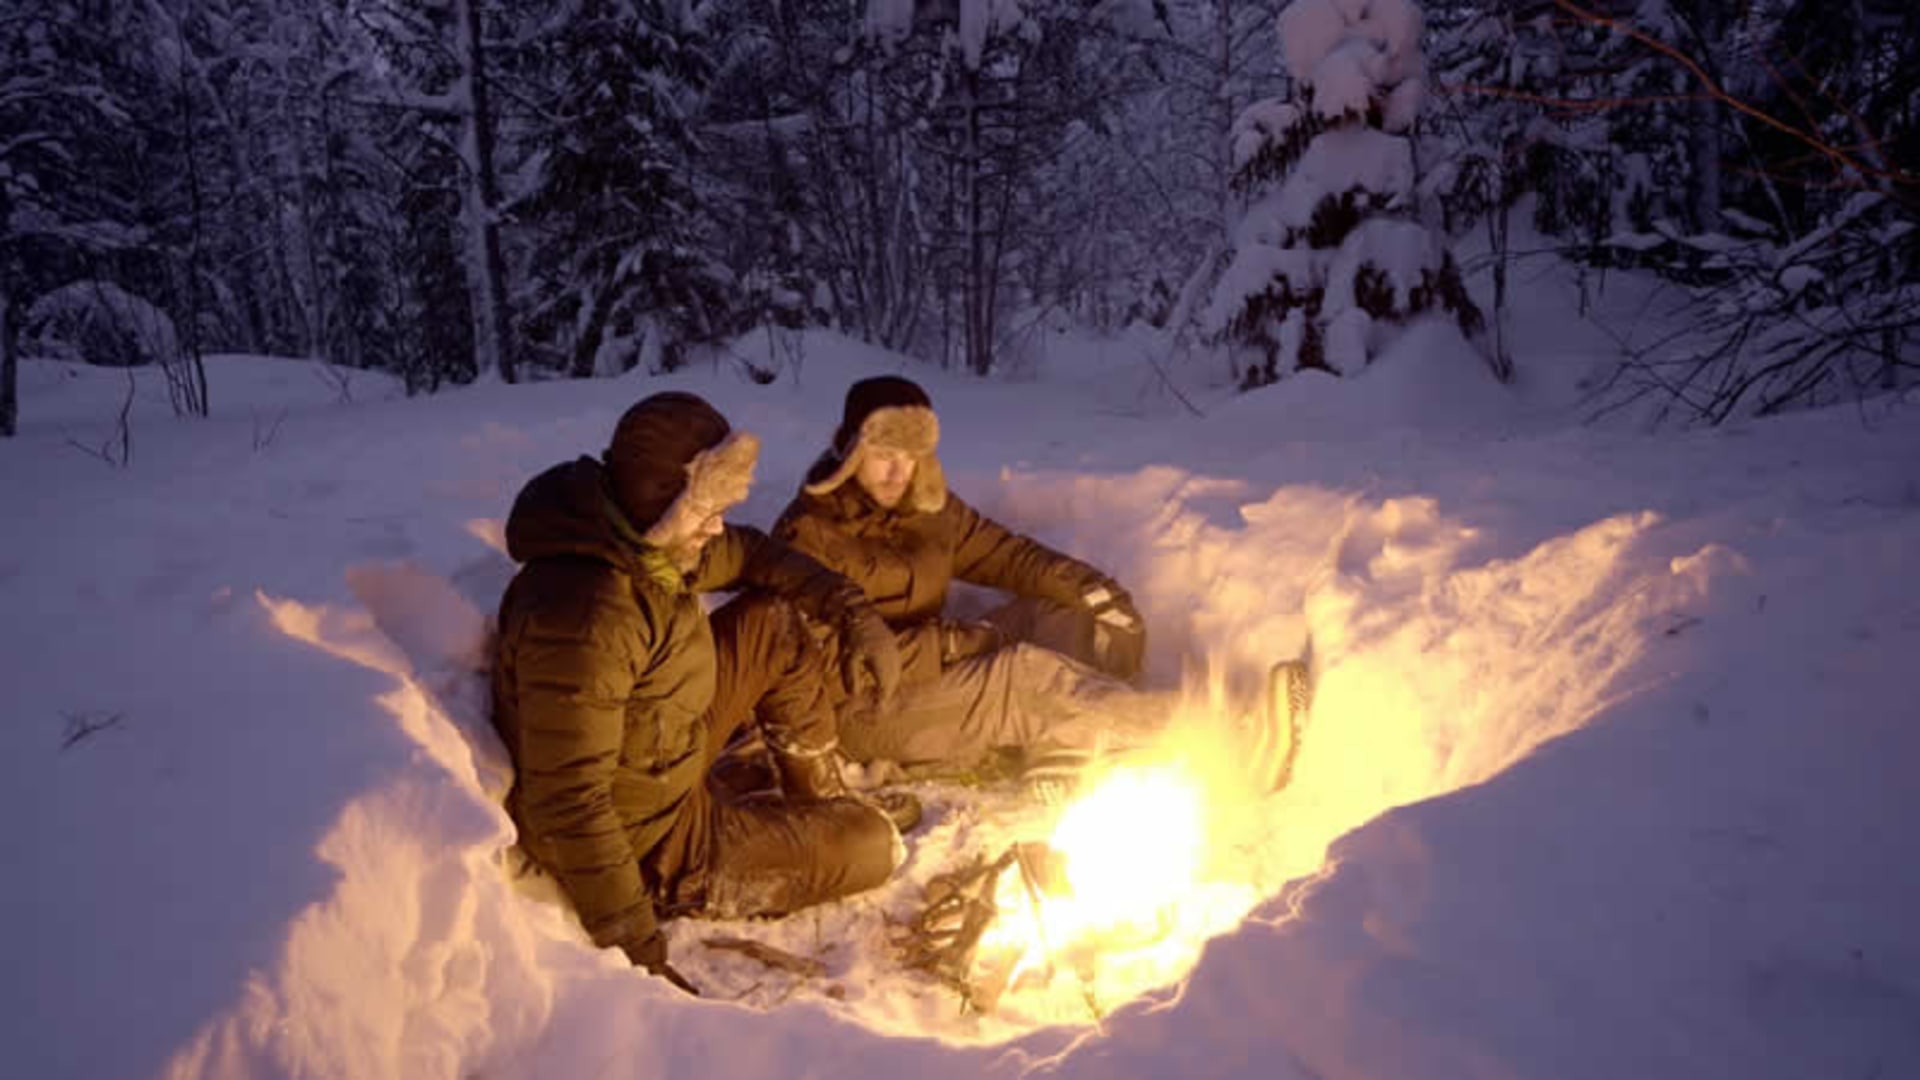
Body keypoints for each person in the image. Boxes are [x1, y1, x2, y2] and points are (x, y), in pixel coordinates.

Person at [490, 391, 916, 994]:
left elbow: (752, 553)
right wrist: (638, 950)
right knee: (875, 848)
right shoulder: (588, 618)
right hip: (652, 838)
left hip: (664, 742)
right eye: (704, 507)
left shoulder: (645, 540)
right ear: (662, 501)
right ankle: (711, 872)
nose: (715, 524)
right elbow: (571, 803)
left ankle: (821, 796)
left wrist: (851, 611)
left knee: (772, 620)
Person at [772, 375, 1161, 783]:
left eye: (911, 456)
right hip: (861, 709)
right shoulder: (807, 534)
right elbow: (821, 664)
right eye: (885, 455)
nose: (898, 472)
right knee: (1018, 676)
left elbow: (1008, 556)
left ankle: (1074, 737)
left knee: (1055, 613)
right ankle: (1168, 733)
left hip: (931, 668)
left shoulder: (929, 510)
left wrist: (1094, 590)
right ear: (849, 450)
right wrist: (948, 646)